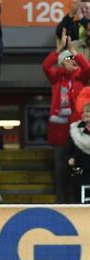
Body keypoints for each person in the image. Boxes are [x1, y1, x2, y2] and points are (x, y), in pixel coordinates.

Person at [42, 29, 90, 203]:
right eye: (70, 60)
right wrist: (59, 49)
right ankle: (62, 203)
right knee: (61, 171)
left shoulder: (80, 78)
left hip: (78, 132)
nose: (74, 63)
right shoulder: (56, 78)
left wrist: (74, 52)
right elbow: (45, 66)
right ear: (62, 63)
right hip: (59, 132)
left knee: (80, 170)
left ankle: (79, 202)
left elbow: (87, 67)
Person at [67, 88, 90, 202]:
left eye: (88, 111)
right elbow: (67, 153)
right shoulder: (75, 131)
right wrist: (70, 159)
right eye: (83, 112)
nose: (84, 114)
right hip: (82, 175)